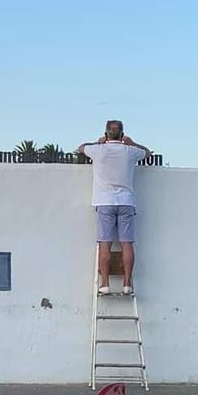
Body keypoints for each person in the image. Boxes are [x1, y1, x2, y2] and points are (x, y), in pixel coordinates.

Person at [76, 120, 151, 295]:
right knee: (127, 244)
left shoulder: (98, 150)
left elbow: (81, 147)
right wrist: (132, 143)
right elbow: (147, 152)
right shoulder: (130, 151)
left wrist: (98, 142)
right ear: (122, 134)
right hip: (126, 201)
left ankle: (104, 284)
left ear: (106, 133)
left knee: (105, 243)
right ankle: (127, 284)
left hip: (104, 201)